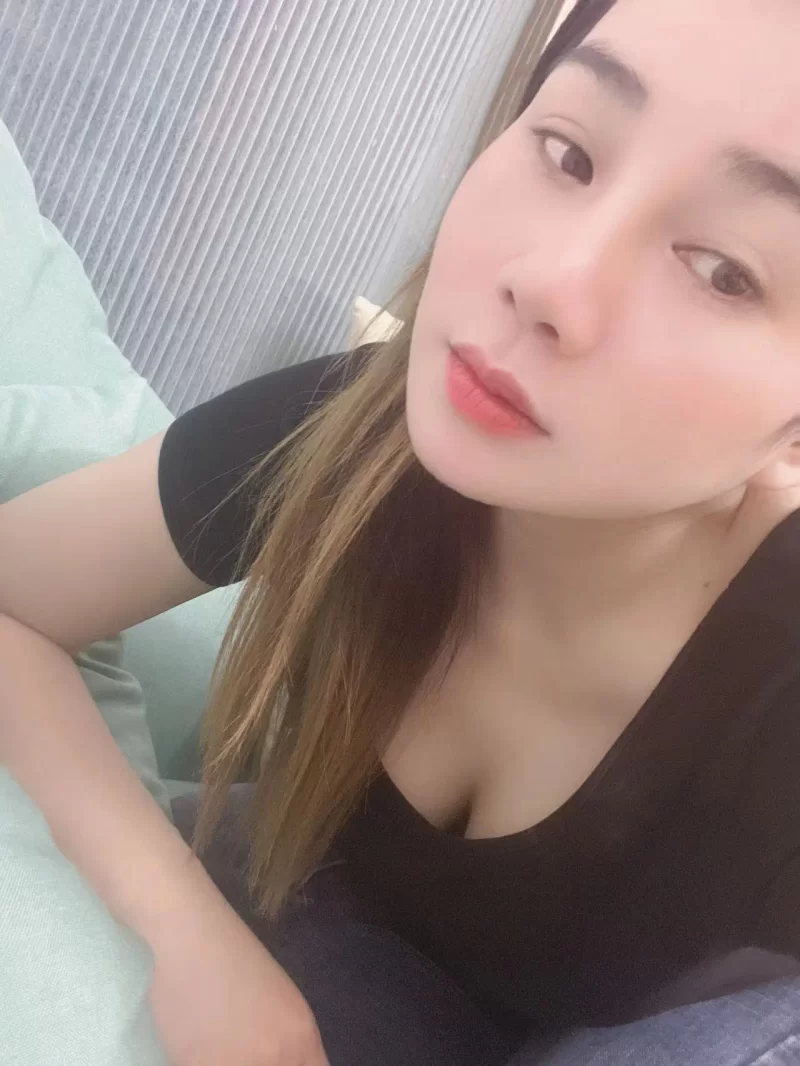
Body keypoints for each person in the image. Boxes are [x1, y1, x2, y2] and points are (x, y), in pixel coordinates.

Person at [3, 0, 800, 1061]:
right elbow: (14, 600)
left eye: (724, 271)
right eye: (567, 152)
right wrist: (181, 926)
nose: (548, 279)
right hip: (321, 927)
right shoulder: (356, 437)